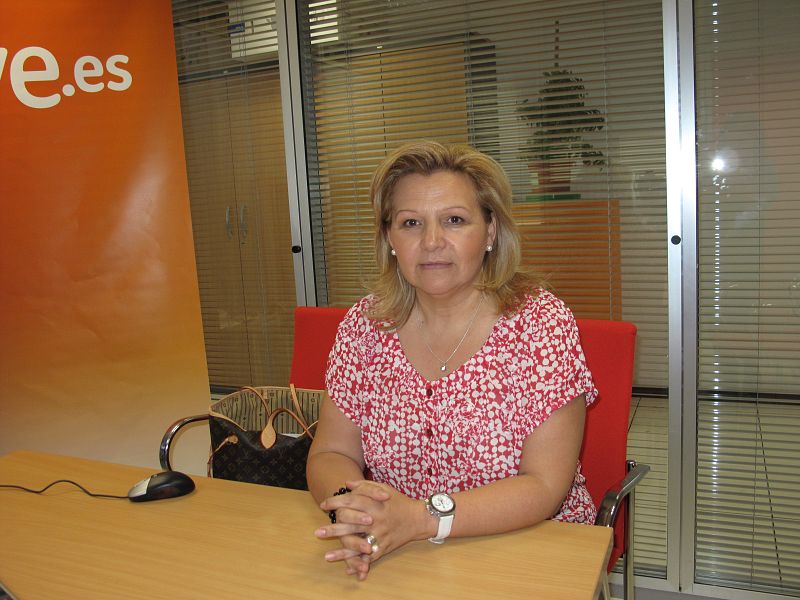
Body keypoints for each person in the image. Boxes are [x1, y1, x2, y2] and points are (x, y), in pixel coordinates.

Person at [306, 140, 597, 581]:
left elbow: (544, 486)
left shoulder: (541, 325)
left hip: (529, 550)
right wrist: (357, 513)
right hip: (400, 555)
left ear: (491, 231)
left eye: (455, 220)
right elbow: (331, 451)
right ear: (389, 238)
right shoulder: (365, 326)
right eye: (411, 223)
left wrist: (420, 519)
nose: (432, 242)